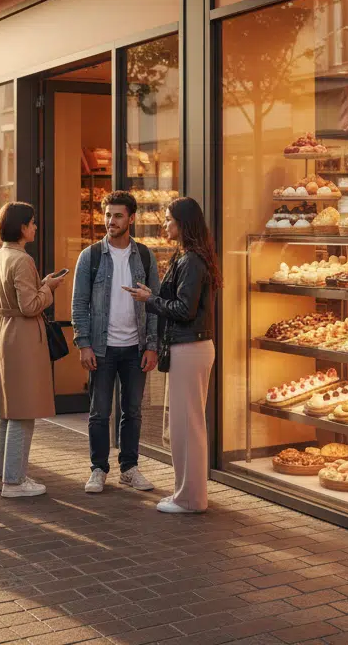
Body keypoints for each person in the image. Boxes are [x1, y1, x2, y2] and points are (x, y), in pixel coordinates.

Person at [124, 197, 218, 514]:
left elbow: (183, 309)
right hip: (189, 347)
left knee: (187, 425)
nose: (164, 225)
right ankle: (186, 494)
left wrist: (150, 300)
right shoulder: (189, 257)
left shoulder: (192, 260)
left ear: (182, 223)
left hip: (189, 347)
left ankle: (190, 499)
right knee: (185, 424)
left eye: (168, 220)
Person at [71, 190, 159, 494]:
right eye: (108, 215)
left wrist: (152, 345)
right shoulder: (91, 256)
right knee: (99, 411)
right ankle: (98, 468)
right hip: (102, 347)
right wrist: (83, 343)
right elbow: (79, 303)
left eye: (118, 215)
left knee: (132, 411)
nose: (111, 221)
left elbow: (155, 304)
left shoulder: (145, 256)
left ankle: (129, 468)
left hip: (136, 347)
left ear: (131, 219)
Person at [0, 202, 66, 498]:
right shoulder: (21, 259)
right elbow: (30, 305)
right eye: (32, 223)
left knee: (9, 410)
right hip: (22, 334)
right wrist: (50, 288)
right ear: (22, 227)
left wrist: (42, 284)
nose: (35, 227)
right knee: (23, 410)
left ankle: (2, 475)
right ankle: (14, 481)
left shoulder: (0, 255)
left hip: (7, 331)